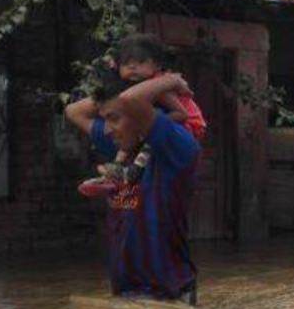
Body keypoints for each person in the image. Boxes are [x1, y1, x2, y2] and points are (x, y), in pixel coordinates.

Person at [63, 69, 201, 304]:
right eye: (105, 118)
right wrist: (119, 91)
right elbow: (73, 111)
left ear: (143, 115)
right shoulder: (121, 148)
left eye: (114, 118)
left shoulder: (174, 148)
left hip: (169, 297)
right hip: (127, 296)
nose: (106, 129)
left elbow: (130, 100)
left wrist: (170, 81)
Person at [78, 34, 207, 197]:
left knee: (149, 140)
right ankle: (116, 171)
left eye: (140, 63)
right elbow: (74, 110)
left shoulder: (159, 88)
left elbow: (182, 114)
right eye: (126, 64)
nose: (132, 68)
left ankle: (129, 172)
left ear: (157, 65)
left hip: (190, 126)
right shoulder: (132, 95)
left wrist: (150, 125)